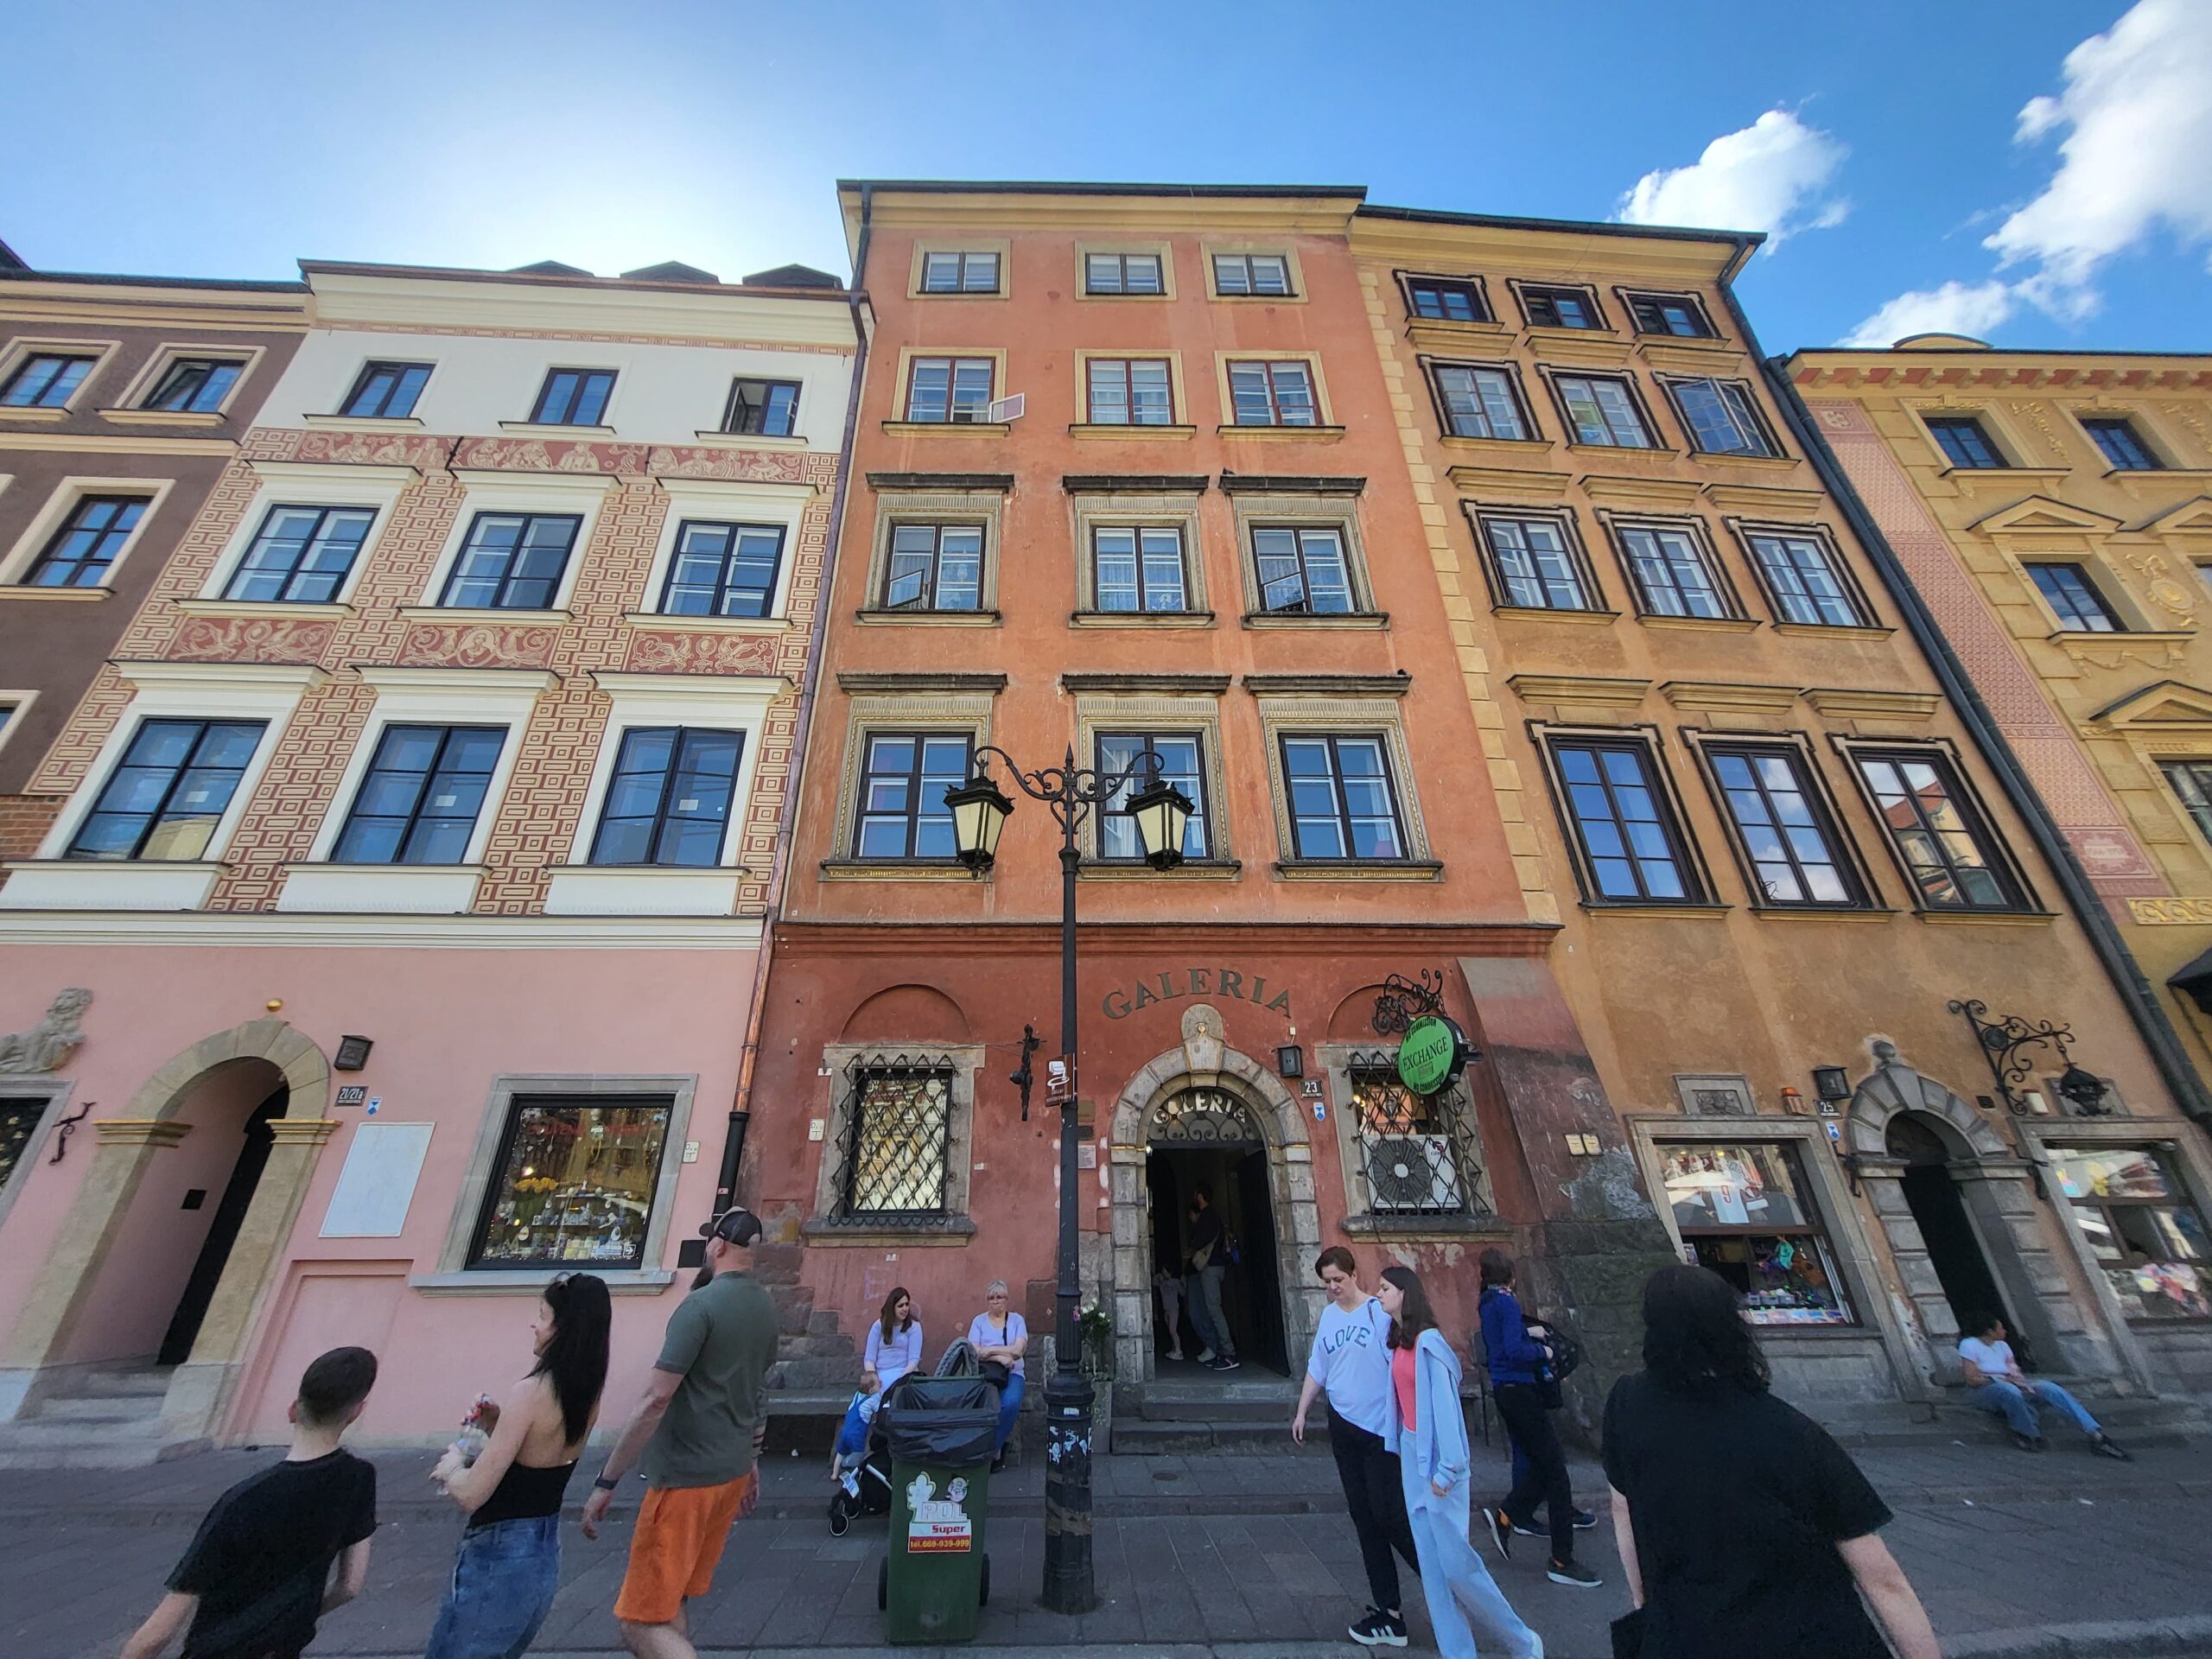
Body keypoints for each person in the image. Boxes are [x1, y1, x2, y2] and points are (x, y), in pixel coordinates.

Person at [1604, 1263, 1941, 1659]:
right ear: (1733, 1323)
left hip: (1685, 1635)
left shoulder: (1627, 1403)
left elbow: (1622, 1506)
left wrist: (1646, 1604)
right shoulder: (1792, 1433)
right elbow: (1882, 1578)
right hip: (1810, 1638)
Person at [582, 1207, 779, 1659]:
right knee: (672, 1603)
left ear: (718, 1245)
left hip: (685, 1478)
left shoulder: (699, 1306)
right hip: (729, 1472)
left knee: (640, 1621)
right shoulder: (765, 1307)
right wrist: (752, 1461)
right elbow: (758, 1392)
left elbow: (655, 1399)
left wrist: (607, 1480)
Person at [121, 1346, 379, 1659]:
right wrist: (290, 1622)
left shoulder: (243, 1500)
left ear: (293, 1410)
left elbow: (158, 1633)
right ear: (355, 1412)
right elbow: (349, 1586)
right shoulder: (359, 1477)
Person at [426, 1272, 613, 1659]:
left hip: (499, 1553)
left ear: (562, 1328)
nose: (534, 1324)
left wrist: (453, 1465)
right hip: (541, 1550)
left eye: (542, 1316)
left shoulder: (530, 1392)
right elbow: (538, 1454)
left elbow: (472, 1494)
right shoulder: (586, 1393)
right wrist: (498, 1421)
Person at [1376, 1266, 1543, 1659]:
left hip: (1439, 1457)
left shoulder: (1430, 1344)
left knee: (1457, 1566)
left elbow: (1447, 1410)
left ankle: (1522, 1640)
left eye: (1385, 1288)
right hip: (1413, 1452)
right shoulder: (1398, 1341)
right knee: (1433, 1570)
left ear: (1404, 1294)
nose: (1378, 1293)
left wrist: (1448, 1468)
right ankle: (1457, 1652)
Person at [1292, 1247, 1420, 1649]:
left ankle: (1441, 1579)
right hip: (1343, 1425)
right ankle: (1389, 1612)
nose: (1332, 1287)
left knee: (1389, 1514)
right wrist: (1302, 1410)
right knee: (1363, 1518)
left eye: (1338, 1280)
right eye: (1326, 1282)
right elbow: (1318, 1366)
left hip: (1379, 1429)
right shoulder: (1329, 1317)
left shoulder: (1379, 1313)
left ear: (1353, 1275)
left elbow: (1403, 1366)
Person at [1475, 1249, 1599, 1588]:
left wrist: (1528, 1333)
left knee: (1543, 1466)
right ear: (1510, 1275)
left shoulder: (1488, 1301)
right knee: (1556, 1471)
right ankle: (1561, 1558)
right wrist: (1542, 1350)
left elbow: (1500, 1340)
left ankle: (1510, 1514)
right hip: (1521, 1389)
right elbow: (1513, 1350)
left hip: (1505, 1389)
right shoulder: (1506, 1302)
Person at [1959, 1313, 2130, 1459]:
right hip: (1984, 1389)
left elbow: (2014, 1371)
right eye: (2000, 1328)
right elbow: (1971, 1379)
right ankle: (2027, 1433)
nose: (2004, 1331)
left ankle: (2095, 1433)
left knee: (2048, 1387)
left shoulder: (2003, 1346)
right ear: (1989, 1331)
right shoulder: (1970, 1345)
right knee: (2009, 1390)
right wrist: (2001, 1381)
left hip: (2012, 1385)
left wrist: (2022, 1384)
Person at [832, 1287, 923, 1480]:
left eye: (907, 1304)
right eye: (900, 1305)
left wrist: (900, 1380)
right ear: (892, 1307)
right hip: (879, 1376)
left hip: (904, 1375)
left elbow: (913, 1360)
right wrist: (873, 1377)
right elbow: (869, 1358)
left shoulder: (914, 1327)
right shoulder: (878, 1326)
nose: (905, 1309)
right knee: (859, 1406)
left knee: (894, 1400)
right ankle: (853, 1450)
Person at [966, 1279, 1029, 1470]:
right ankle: (990, 1450)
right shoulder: (979, 1322)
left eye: (999, 1297)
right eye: (991, 1298)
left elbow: (1018, 1351)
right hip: (987, 1374)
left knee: (1009, 1403)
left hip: (1013, 1373)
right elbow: (974, 1351)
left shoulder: (1017, 1321)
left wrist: (991, 1351)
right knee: (981, 1406)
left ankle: (992, 1449)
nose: (995, 1301)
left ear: (1006, 1299)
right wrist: (1001, 1358)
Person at [1185, 1183, 1238, 1370]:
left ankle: (1229, 1354)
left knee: (1214, 1309)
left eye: (1195, 1195)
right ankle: (1220, 1350)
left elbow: (1202, 1238)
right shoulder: (1214, 1216)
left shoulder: (1208, 1216)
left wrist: (1192, 1248)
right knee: (1211, 1309)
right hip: (1215, 1267)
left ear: (1200, 1197)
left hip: (1211, 1267)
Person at [1153, 1255, 1188, 1363]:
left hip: (1173, 1309)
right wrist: (1158, 1276)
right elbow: (1153, 1283)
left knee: (1173, 1330)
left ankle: (1179, 1351)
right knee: (1170, 1331)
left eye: (1164, 1271)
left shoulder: (1175, 1282)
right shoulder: (1161, 1282)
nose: (1163, 1273)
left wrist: (1184, 1283)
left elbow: (1183, 1293)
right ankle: (1174, 1349)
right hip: (1166, 1309)